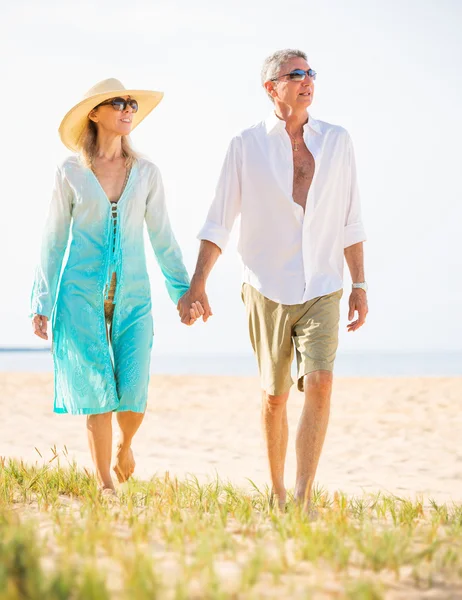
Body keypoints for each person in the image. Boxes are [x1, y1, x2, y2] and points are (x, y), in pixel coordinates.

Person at [177, 49, 368, 512]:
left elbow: (351, 217)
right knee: (275, 396)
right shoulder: (245, 145)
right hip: (265, 285)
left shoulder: (338, 141)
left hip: (323, 282)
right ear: (271, 87)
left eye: (310, 73)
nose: (307, 80)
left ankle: (302, 496)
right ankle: (277, 493)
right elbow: (219, 220)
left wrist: (359, 284)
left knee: (320, 382)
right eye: (296, 74)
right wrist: (197, 284)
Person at [31, 78, 203, 495]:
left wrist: (184, 292)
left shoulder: (146, 174)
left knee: (133, 387)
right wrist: (43, 299)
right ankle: (105, 483)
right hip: (78, 296)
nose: (128, 109)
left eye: (131, 104)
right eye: (118, 103)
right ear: (94, 113)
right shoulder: (70, 171)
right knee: (96, 391)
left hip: (135, 296)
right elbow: (54, 238)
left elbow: (162, 236)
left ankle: (125, 445)